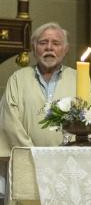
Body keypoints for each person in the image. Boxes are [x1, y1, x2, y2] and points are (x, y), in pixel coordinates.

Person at [0, 23, 78, 155]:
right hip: (26, 159)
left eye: (56, 43)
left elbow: (90, 118)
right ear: (34, 47)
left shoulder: (77, 78)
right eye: (43, 42)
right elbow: (10, 123)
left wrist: (71, 152)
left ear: (65, 49)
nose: (49, 48)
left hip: (68, 160)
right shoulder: (18, 79)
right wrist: (34, 155)